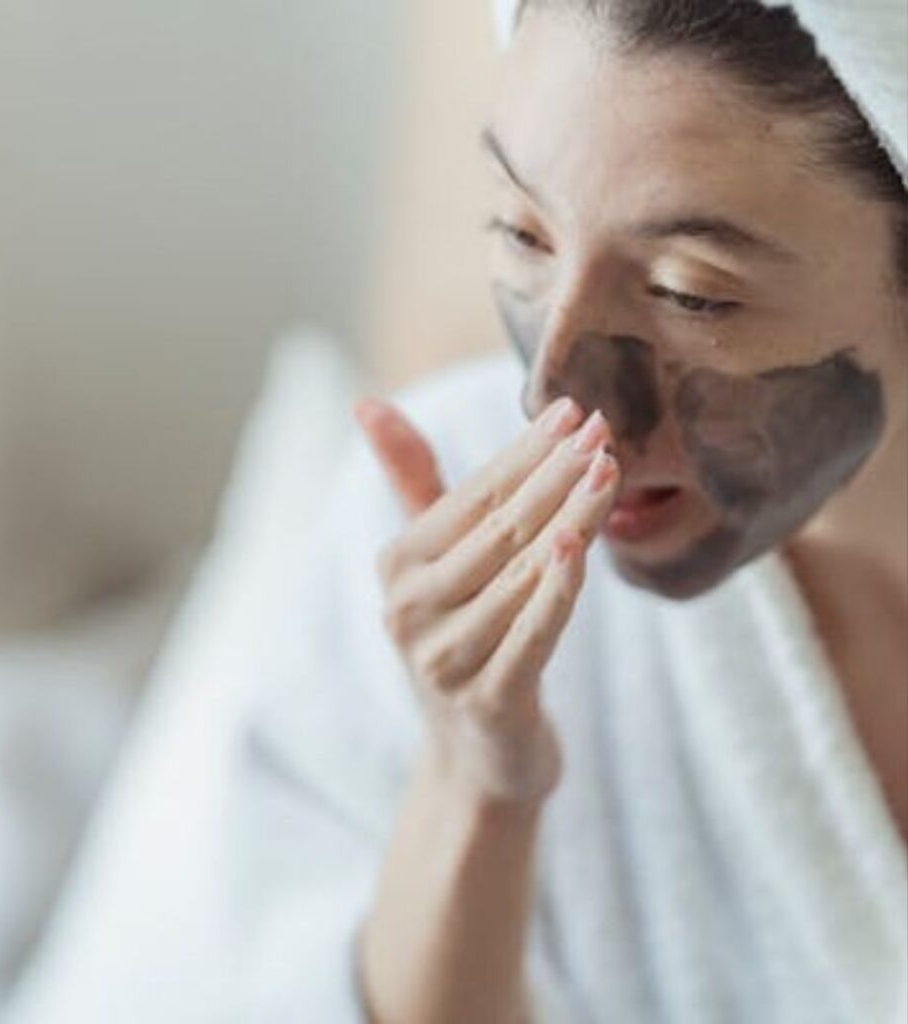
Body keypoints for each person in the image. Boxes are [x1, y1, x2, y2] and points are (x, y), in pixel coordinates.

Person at [225, 2, 907, 1021]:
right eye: (522, 231)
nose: (552, 398)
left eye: (690, 293)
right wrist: (473, 775)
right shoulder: (444, 505)